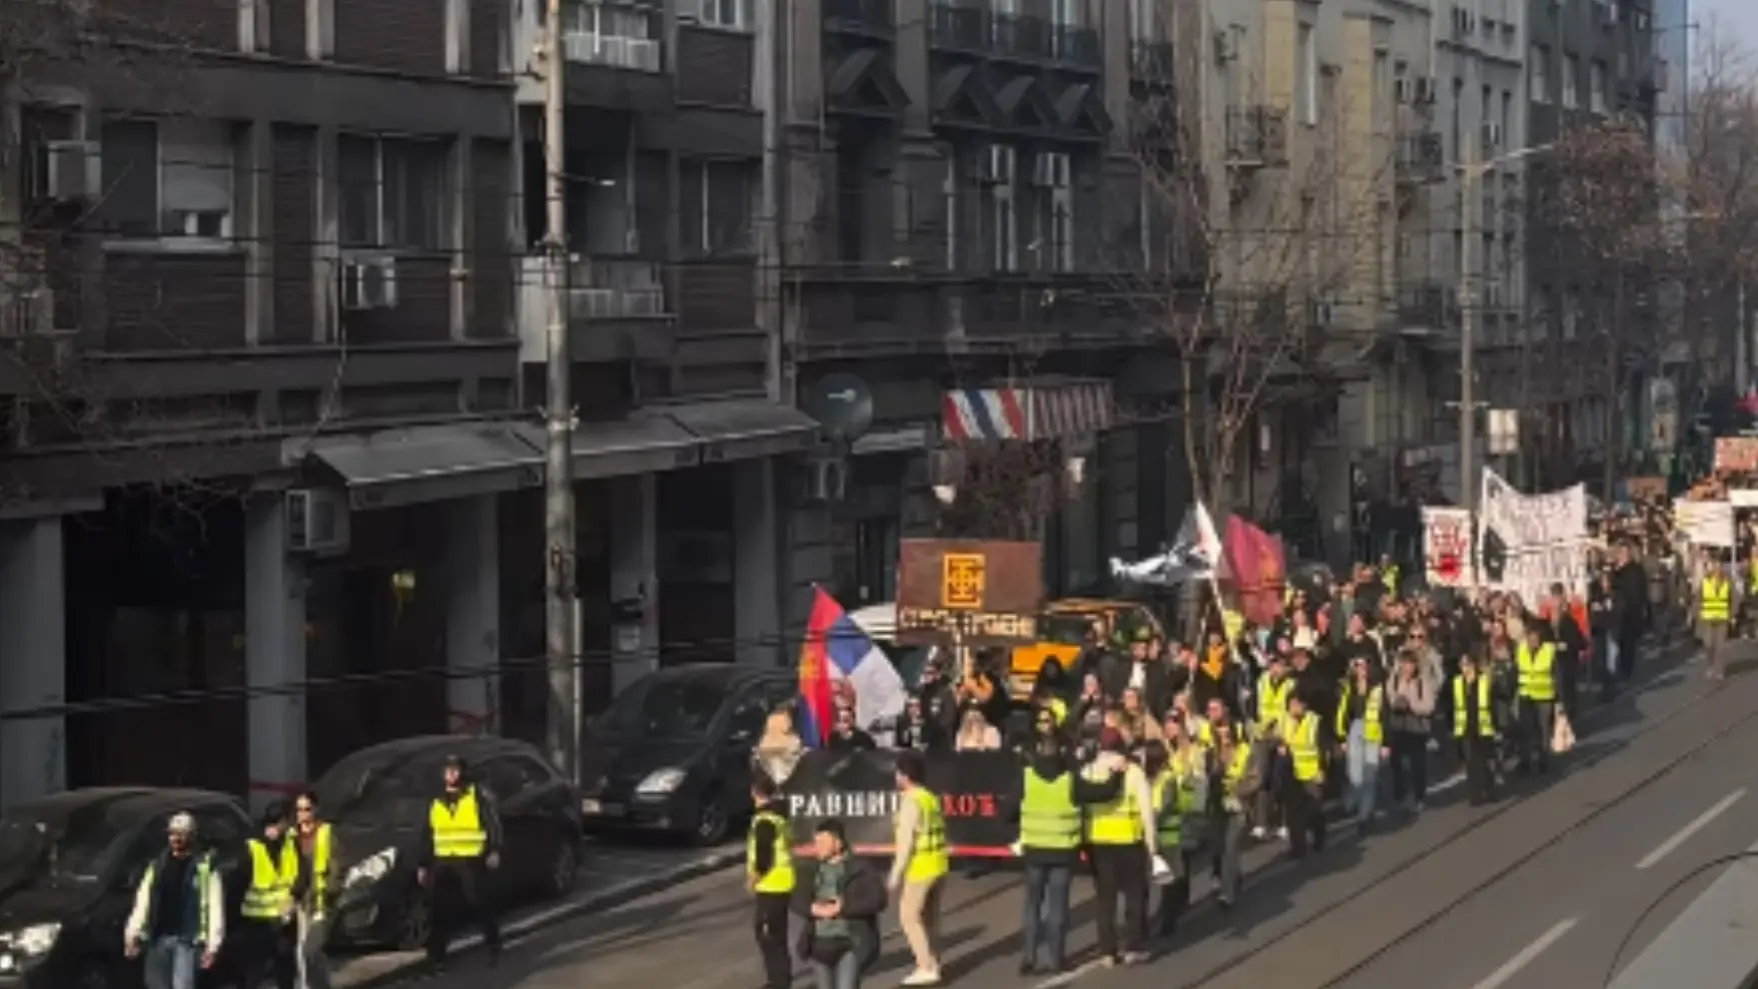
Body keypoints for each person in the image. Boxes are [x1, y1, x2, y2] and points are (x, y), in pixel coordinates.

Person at [1016, 719, 1108, 975]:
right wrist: (1117, 776)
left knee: (1032, 904)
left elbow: (1007, 810)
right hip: (1063, 852)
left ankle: (1029, 956)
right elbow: (1099, 793)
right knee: (1057, 906)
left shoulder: (1026, 778)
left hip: (1034, 850)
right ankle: (1056, 958)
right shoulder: (1070, 780)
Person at [417, 754, 503, 974]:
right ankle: (436, 957)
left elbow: (492, 823)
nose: (451, 774)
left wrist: (494, 849)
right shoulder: (436, 799)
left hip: (470, 858)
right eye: (448, 770)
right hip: (444, 860)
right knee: (439, 910)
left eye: (455, 770)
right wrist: (423, 864)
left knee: (479, 903)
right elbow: (427, 833)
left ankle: (493, 945)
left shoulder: (476, 795)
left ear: (463, 772)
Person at [124, 812, 226, 989]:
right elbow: (143, 902)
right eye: (172, 833)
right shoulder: (157, 866)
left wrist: (213, 946)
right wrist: (132, 933)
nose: (175, 838)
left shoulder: (205, 868)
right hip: (158, 938)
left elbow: (215, 908)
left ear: (192, 836)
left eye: (181, 834)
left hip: (187, 941)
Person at [1083, 728, 1158, 966]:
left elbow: (1083, 809)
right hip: (1129, 841)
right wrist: (1152, 846)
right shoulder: (1133, 772)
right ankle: (1134, 947)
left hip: (1099, 842)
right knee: (1135, 896)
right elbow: (1147, 812)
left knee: (1105, 899)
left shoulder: (1089, 771)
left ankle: (1107, 951)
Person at [792, 819, 886, 989]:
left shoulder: (860, 868)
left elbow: (878, 899)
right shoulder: (810, 870)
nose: (818, 847)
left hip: (849, 942)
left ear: (838, 843)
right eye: (816, 842)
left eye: (823, 842)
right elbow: (795, 898)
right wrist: (812, 908)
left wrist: (844, 907)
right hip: (819, 944)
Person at [887, 751, 948, 986]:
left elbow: (906, 843)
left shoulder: (911, 802)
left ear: (905, 776)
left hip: (920, 867)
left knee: (909, 917)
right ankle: (935, 962)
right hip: (939, 863)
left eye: (898, 773)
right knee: (930, 918)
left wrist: (895, 875)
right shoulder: (929, 798)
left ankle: (925, 965)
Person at [1149, 717, 1209, 937]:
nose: (1170, 728)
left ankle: (1173, 911)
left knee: (1176, 870)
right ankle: (1172, 907)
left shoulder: (1191, 752)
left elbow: (1198, 780)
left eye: (1174, 725)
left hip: (1182, 816)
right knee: (1172, 872)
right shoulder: (1163, 749)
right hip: (1167, 825)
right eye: (1168, 725)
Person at [236, 803, 296, 989]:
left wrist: (294, 899)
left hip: (283, 919)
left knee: (284, 969)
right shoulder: (253, 847)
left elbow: (298, 875)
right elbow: (238, 883)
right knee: (255, 970)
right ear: (281, 822)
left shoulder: (290, 842)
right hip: (258, 920)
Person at [748, 776, 794, 989]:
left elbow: (764, 853)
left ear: (755, 792)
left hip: (772, 883)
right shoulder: (779, 816)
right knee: (777, 933)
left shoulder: (765, 820)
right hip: (782, 882)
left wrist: (755, 876)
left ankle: (779, 982)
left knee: (768, 935)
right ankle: (780, 978)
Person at [288, 790, 338, 989]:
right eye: (299, 810)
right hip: (300, 899)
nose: (303, 814)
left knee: (312, 949)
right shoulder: (292, 835)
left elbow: (337, 867)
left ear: (315, 809)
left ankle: (319, 985)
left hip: (321, 900)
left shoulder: (326, 832)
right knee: (301, 951)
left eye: (307, 809)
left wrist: (331, 890)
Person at [1335, 656, 1386, 830]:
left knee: (1369, 776)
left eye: (1364, 666)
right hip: (1355, 729)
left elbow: (1385, 714)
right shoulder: (1349, 687)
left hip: (1374, 731)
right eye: (1358, 666)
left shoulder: (1378, 688)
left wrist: (1386, 743)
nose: (1361, 669)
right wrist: (1342, 737)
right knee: (1355, 774)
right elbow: (1342, 713)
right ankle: (1356, 804)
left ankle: (1364, 815)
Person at [1210, 726, 1257, 908]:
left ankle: (1227, 893)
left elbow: (1255, 779)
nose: (1225, 739)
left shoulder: (1245, 752)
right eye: (1220, 735)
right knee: (1220, 848)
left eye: (1227, 734)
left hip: (1239, 807)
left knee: (1230, 848)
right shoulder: (1212, 754)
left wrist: (1238, 791)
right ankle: (1234, 877)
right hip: (1218, 807)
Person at [1384, 649, 1436, 812]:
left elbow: (1429, 706)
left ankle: (1418, 796)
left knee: (1417, 765)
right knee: (1397, 764)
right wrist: (1397, 702)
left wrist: (1411, 705)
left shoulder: (1422, 682)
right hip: (1397, 726)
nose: (1408, 668)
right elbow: (1388, 698)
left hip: (1416, 727)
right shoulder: (1393, 680)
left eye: (1411, 664)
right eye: (1405, 664)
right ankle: (1401, 796)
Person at [1277, 693, 1326, 859]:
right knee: (1293, 813)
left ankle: (1318, 837)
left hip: (1312, 772)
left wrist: (1322, 769)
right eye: (1291, 705)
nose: (1293, 709)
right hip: (1292, 773)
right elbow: (1281, 737)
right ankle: (1298, 847)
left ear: (1304, 705)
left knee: (1314, 810)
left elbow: (1322, 748)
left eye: (1296, 705)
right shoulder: (1285, 720)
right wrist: (1281, 745)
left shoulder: (1315, 721)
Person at [1454, 653, 1499, 805]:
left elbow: (1492, 704)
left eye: (1468, 664)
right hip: (1465, 727)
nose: (1465, 668)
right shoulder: (1457, 682)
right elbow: (1453, 706)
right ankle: (1475, 794)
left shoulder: (1483, 681)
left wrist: (1496, 726)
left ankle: (1490, 790)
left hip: (1483, 726)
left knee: (1485, 761)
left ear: (1474, 665)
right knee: (1471, 762)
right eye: (1462, 665)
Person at [1514, 624, 1558, 775]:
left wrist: (1558, 699)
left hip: (1544, 696)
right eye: (1530, 638)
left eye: (1536, 638)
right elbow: (1516, 671)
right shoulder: (1521, 650)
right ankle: (1525, 762)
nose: (1533, 641)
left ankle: (1543, 760)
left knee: (1543, 729)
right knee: (1525, 730)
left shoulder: (1549, 651)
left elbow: (1556, 674)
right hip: (1526, 696)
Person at [1699, 555, 1735, 682]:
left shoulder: (1728, 581)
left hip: (1722, 617)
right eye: (1715, 566)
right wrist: (1695, 613)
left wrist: (1732, 615)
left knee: (1720, 646)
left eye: (1720, 566)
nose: (1717, 569)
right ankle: (1711, 665)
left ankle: (1719, 670)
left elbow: (1734, 598)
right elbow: (1698, 598)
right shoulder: (1705, 581)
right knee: (1708, 644)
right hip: (1708, 617)